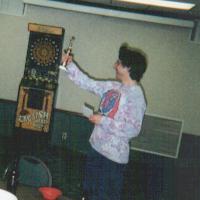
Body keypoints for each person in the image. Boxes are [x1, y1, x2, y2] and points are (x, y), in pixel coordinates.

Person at [60, 43, 147, 200]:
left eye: (119, 63)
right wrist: (70, 64)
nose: (114, 65)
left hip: (112, 159)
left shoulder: (136, 96)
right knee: (88, 193)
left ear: (129, 68)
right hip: (96, 149)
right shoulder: (113, 86)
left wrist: (103, 121)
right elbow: (87, 83)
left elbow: (133, 129)